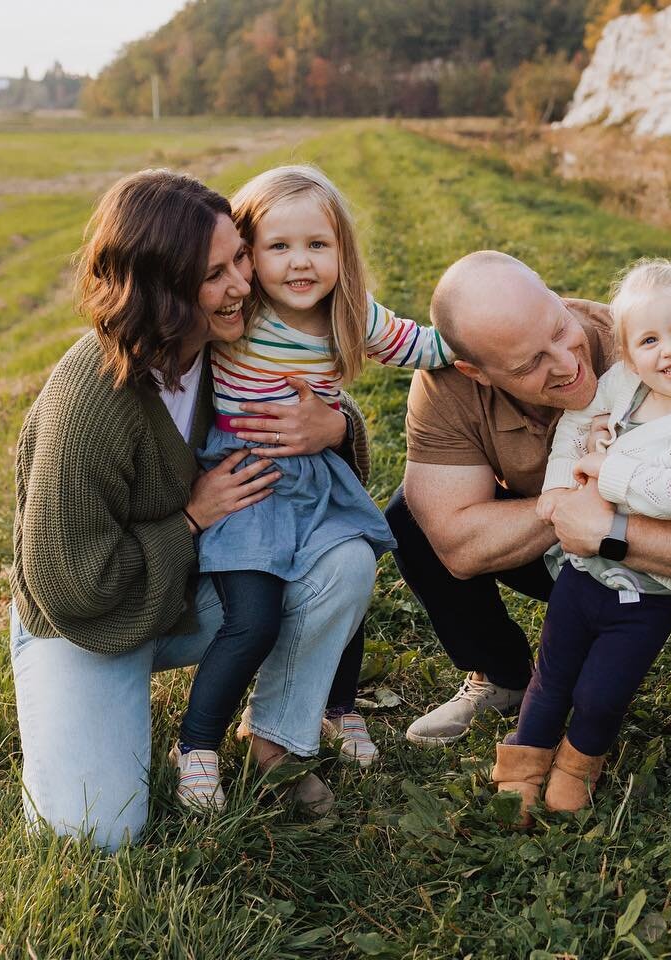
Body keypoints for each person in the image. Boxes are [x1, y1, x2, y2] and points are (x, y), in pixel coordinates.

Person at [10, 169, 376, 851]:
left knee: (343, 561)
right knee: (95, 833)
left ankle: (276, 738)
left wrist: (337, 425)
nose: (242, 284)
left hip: (189, 591)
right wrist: (190, 520)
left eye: (240, 257)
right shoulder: (90, 403)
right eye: (215, 274)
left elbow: (305, 425)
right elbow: (73, 587)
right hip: (85, 619)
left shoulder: (226, 350)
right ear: (160, 290)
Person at [391, 250, 671, 798]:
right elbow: (458, 543)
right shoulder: (446, 387)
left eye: (559, 330)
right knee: (410, 518)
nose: (566, 364)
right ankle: (499, 674)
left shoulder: (661, 341)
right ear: (477, 371)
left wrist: (610, 534)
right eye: (529, 365)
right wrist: (568, 507)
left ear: (553, 294)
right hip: (562, 553)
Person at [172, 164, 455, 811]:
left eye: (317, 246)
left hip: (316, 484)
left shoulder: (349, 317)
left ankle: (335, 706)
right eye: (279, 247)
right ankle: (197, 745)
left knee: (350, 576)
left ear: (341, 252)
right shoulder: (239, 317)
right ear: (247, 256)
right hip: (248, 485)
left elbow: (420, 345)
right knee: (253, 618)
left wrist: (483, 349)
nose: (300, 263)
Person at [492, 259, 671, 825]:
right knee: (552, 673)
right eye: (650, 340)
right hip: (582, 571)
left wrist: (603, 470)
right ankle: (522, 764)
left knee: (602, 691)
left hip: (649, 590)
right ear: (630, 353)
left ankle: (577, 769)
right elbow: (578, 422)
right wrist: (562, 484)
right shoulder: (625, 385)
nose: (670, 351)